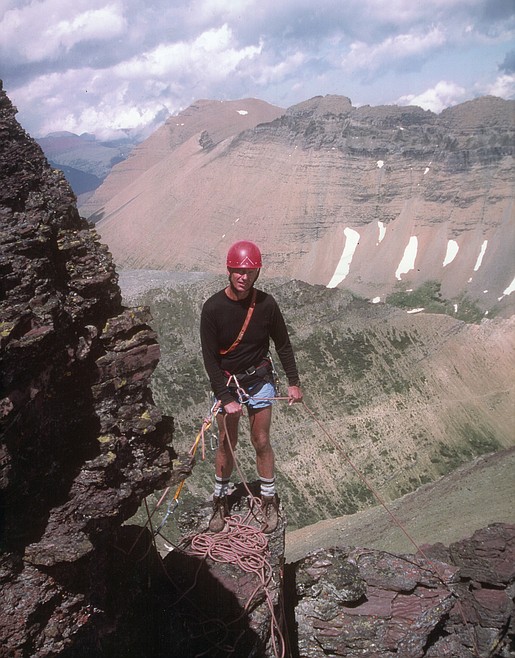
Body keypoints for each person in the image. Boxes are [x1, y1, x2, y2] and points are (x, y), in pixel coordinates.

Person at [200, 240, 303, 533]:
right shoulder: (213, 308)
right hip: (228, 383)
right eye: (238, 271)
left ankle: (268, 497)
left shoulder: (267, 305)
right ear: (229, 271)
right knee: (225, 442)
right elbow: (210, 358)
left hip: (259, 380)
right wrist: (223, 395)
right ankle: (220, 499)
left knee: (260, 440)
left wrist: (293, 382)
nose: (243, 277)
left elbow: (282, 344)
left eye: (249, 271)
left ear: (257, 272)